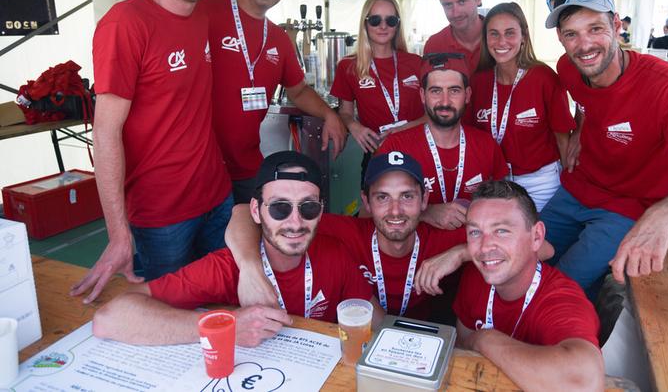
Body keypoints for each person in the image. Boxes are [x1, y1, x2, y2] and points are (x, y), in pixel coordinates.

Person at [72, 0, 234, 304]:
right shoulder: (126, 22)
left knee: (225, 305)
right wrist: (117, 234)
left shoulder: (201, 17)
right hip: (162, 218)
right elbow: (105, 132)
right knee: (166, 319)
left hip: (217, 198)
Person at [540, 0, 668, 298]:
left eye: (595, 28)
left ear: (616, 26)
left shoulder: (667, 85)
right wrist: (580, 127)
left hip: (629, 207)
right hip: (576, 190)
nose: (584, 45)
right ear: (560, 38)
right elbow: (588, 99)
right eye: (571, 34)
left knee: (559, 290)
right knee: (522, 265)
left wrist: (662, 215)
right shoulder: (568, 68)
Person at [92, 151, 382, 346]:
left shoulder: (335, 254)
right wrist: (225, 326)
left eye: (307, 207)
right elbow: (110, 318)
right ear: (256, 211)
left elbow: (375, 320)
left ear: (320, 211)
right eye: (280, 208)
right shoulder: (226, 267)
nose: (295, 222)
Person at [225, 151, 471, 321]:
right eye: (382, 197)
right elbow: (244, 212)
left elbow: (506, 240)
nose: (395, 210)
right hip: (357, 337)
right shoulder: (344, 232)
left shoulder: (442, 239)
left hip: (421, 339)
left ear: (425, 199)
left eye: (407, 196)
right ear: (366, 201)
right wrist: (249, 268)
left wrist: (461, 253)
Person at [196, 0, 346, 203]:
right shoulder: (204, 11)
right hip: (198, 170)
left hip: (246, 169)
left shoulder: (278, 37)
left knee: (247, 242)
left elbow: (298, 90)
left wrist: (328, 114)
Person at [455, 180, 604, 391]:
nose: (485, 246)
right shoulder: (476, 275)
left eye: (502, 231)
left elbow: (583, 382)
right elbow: (462, 347)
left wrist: (485, 339)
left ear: (536, 237)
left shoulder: (561, 298)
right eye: (475, 232)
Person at [377, 54, 509, 230]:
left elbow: (506, 208)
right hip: (414, 252)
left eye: (454, 90)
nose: (445, 102)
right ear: (423, 95)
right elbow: (369, 211)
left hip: (471, 251)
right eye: (436, 91)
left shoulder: (487, 145)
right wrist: (426, 212)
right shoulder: (395, 147)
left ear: (467, 95)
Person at [468, 2, 575, 211]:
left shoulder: (544, 78)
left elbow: (563, 139)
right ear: (486, 38)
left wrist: (569, 187)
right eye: (494, 34)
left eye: (510, 33)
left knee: (541, 241)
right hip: (496, 183)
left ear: (523, 37)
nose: (501, 41)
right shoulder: (479, 81)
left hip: (541, 184)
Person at [330, 0, 425, 185]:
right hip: (377, 153)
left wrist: (402, 129)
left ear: (398, 25)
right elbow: (345, 112)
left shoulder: (416, 63)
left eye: (390, 20)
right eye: (375, 20)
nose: (383, 26)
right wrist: (354, 126)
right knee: (373, 212)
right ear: (365, 24)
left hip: (418, 151)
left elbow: (433, 115)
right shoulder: (348, 67)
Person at [423, 0, 483, 75]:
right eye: (447, 5)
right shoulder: (434, 45)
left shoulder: (501, 39)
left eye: (462, 2)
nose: (456, 13)